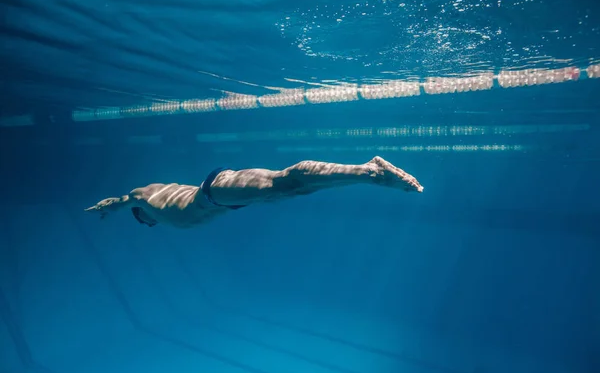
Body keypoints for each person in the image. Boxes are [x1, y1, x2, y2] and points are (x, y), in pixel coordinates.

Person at [84, 156, 424, 228]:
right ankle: (368, 176)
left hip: (214, 191)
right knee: (294, 191)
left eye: (145, 223)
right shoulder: (162, 202)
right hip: (224, 196)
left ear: (143, 217)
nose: (149, 225)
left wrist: (107, 206)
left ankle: (369, 171)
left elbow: (126, 198)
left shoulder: (148, 199)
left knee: (284, 181)